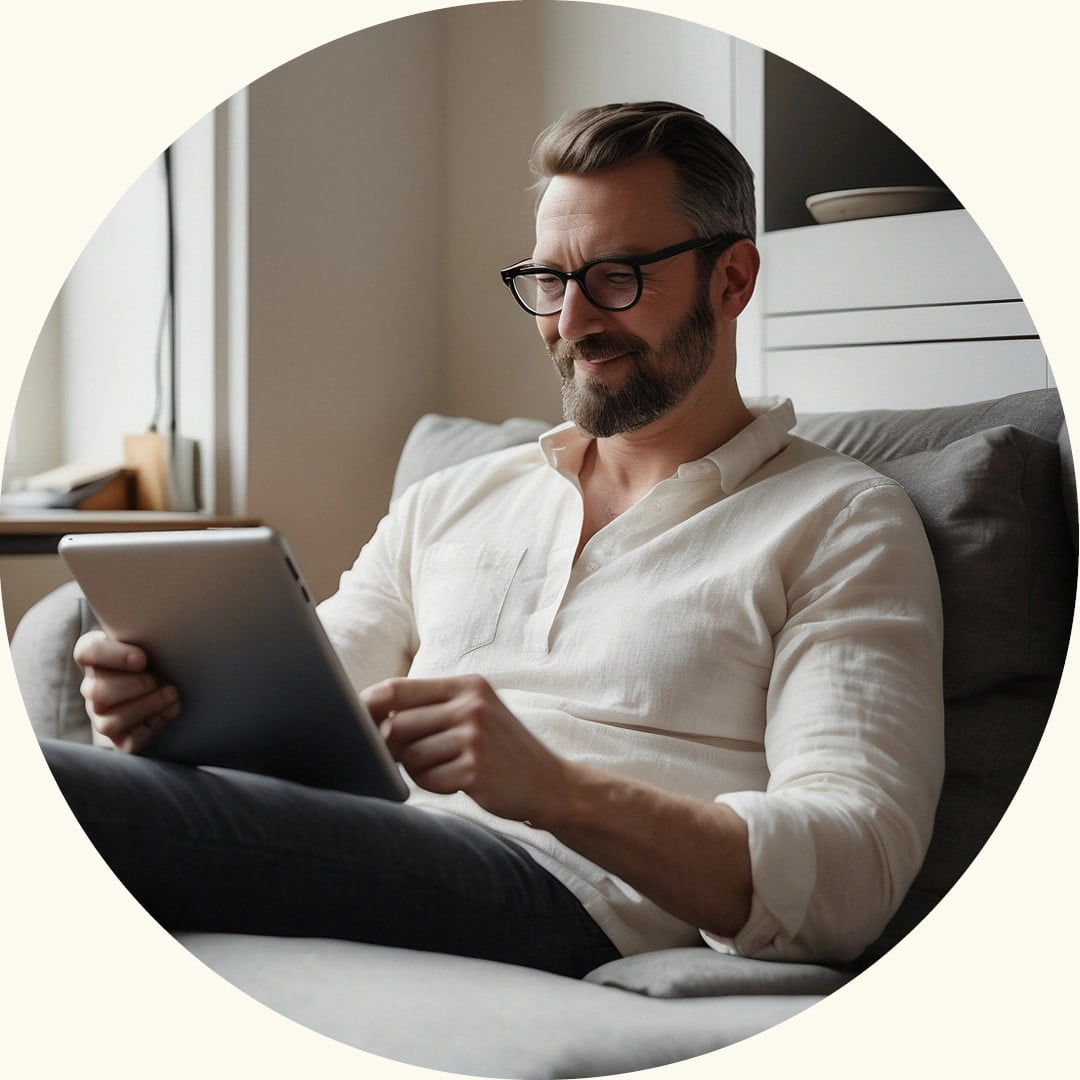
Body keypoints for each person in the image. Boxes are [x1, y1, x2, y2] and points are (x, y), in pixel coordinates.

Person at [44, 102, 944, 976]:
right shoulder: (454, 499)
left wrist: (556, 790)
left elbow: (854, 862)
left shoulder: (840, 518)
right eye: (550, 281)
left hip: (571, 895)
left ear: (733, 280)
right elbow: (306, 722)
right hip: (386, 845)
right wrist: (171, 716)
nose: (574, 321)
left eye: (618, 277)